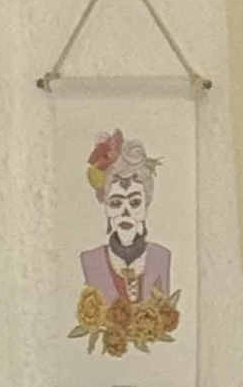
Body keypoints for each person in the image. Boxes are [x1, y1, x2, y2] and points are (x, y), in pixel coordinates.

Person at [71, 130, 180, 356]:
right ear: (107, 208)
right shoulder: (90, 261)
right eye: (117, 202)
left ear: (146, 205)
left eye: (135, 201)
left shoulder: (161, 257)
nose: (126, 212)